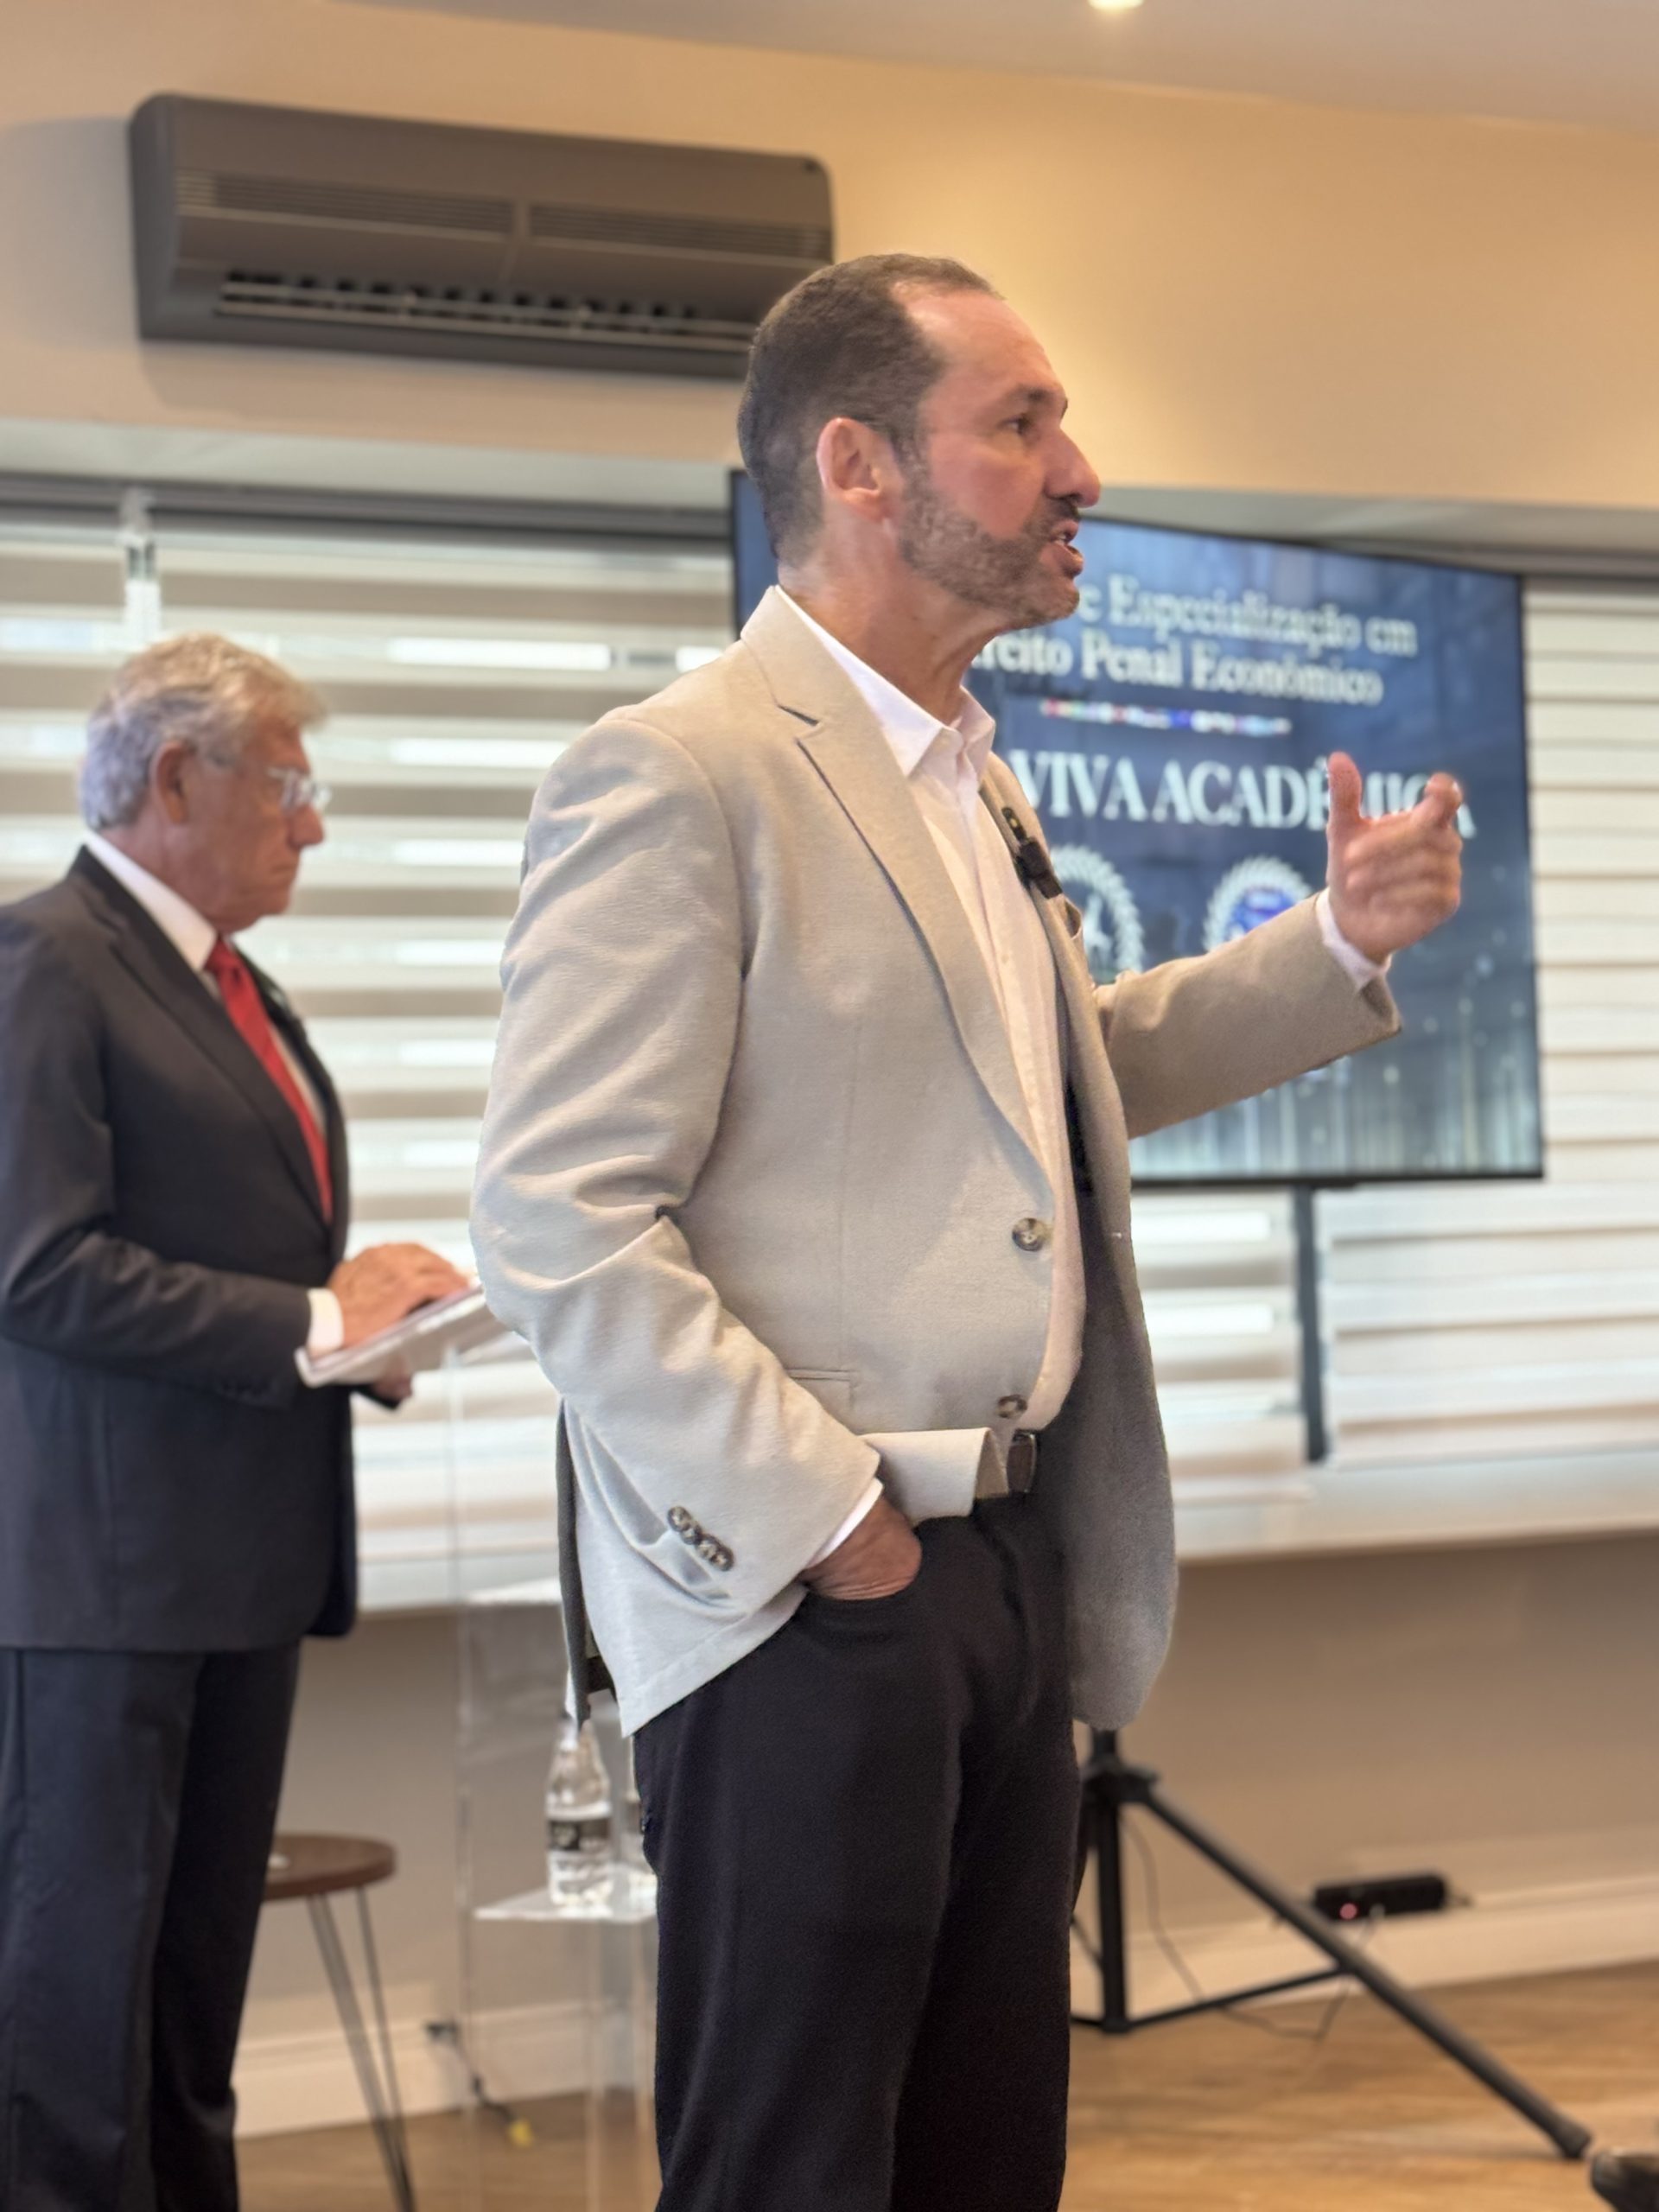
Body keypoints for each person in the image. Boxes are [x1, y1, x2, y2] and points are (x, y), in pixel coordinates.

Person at [471, 254, 1464, 2212]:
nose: (1080, 471)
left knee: (983, 2152)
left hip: (1010, 1565)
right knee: (796, 2165)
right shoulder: (682, 767)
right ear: (857, 464)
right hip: (814, 1586)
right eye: (1022, 424)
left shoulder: (971, 775)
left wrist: (1335, 946)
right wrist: (831, 1523)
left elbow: (1057, 1080)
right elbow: (556, 1220)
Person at [0, 634, 466, 2211]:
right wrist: (318, 1320)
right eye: (287, 786)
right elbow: (37, 1270)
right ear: (176, 779)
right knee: (74, 2044)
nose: (311, 825)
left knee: (189, 2032)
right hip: (99, 1595)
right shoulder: (44, 961)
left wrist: (364, 1338)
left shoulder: (237, 986)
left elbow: (232, 1254)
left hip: (240, 1577)